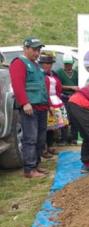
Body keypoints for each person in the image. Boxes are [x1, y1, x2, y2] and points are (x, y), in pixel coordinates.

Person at [9, 37, 48, 178]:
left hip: (41, 106)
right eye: (34, 49)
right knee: (30, 138)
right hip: (29, 107)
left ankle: (36, 165)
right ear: (25, 48)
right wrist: (25, 102)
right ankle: (29, 169)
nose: (37, 53)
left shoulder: (35, 65)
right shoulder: (19, 63)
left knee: (40, 138)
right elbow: (17, 85)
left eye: (39, 50)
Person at [39, 51, 68, 157]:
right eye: (46, 63)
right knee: (43, 127)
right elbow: (43, 90)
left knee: (52, 126)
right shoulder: (40, 74)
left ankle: (50, 146)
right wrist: (49, 104)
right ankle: (43, 149)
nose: (48, 65)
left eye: (50, 63)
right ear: (41, 64)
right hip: (45, 101)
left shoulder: (53, 74)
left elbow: (58, 87)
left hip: (56, 100)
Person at [56, 53, 79, 145]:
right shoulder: (59, 72)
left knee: (74, 118)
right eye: (66, 64)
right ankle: (64, 138)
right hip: (64, 97)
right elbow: (58, 86)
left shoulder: (76, 73)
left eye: (69, 64)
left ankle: (74, 138)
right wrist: (71, 87)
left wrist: (75, 89)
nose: (68, 66)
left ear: (72, 63)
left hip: (74, 98)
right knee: (64, 118)